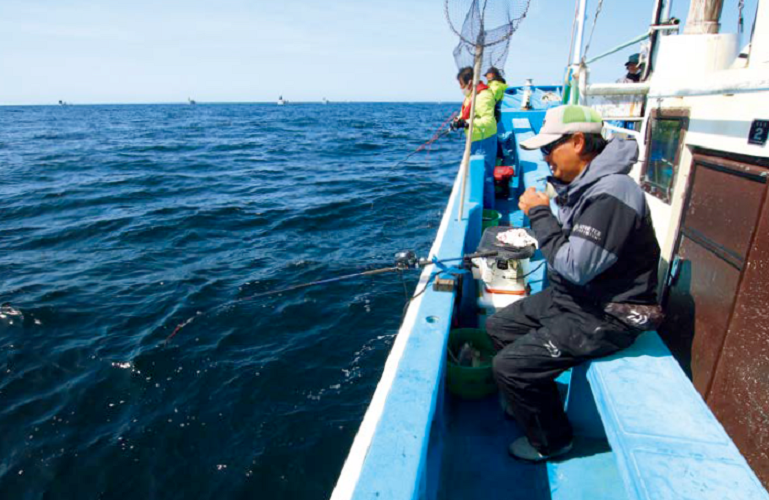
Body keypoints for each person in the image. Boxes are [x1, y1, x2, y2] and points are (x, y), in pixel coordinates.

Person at [486, 104, 662, 462]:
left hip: (610, 313)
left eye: (550, 148)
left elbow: (575, 266)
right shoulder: (583, 184)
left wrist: (538, 212)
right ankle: (532, 402)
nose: (546, 157)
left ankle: (552, 442)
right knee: (499, 324)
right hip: (578, 298)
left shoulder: (613, 193)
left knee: (510, 366)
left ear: (578, 142)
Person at [452, 66, 498, 209]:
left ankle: (487, 210)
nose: (461, 87)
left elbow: (488, 121)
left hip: (484, 141)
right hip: (474, 140)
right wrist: (458, 121)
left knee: (486, 178)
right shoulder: (470, 96)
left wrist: (466, 123)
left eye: (462, 84)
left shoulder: (484, 96)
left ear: (470, 82)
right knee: (477, 175)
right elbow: (464, 113)